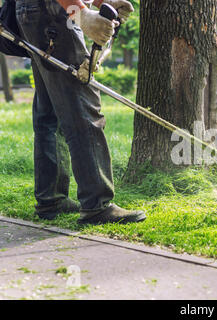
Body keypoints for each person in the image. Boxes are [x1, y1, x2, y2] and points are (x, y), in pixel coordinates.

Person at [15, 0, 146, 225]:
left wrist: (100, 2)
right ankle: (97, 204)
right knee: (81, 106)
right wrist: (82, 13)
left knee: (51, 109)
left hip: (35, 10)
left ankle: (51, 199)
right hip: (52, 11)